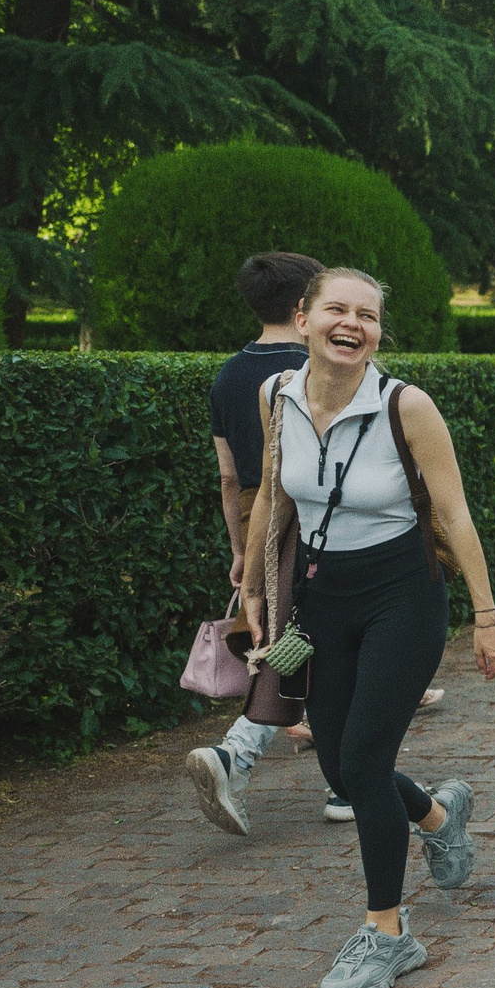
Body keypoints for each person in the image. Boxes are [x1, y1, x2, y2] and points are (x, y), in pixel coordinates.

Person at [237, 268, 495, 988]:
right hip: (320, 600)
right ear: (303, 319)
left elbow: (454, 513)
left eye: (367, 315)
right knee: (339, 764)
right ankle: (438, 816)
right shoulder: (275, 395)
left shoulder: (405, 405)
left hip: (402, 597)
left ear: (378, 331)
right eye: (337, 309)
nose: (351, 324)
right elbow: (271, 494)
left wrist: (486, 616)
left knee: (362, 758)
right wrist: (252, 588)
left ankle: (388, 933)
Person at [186, 252, 318, 835]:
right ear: (304, 306)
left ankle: (342, 780)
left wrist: (241, 550)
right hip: (307, 512)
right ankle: (236, 754)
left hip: (253, 511)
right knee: (316, 638)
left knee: (297, 639)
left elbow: (228, 477)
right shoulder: (320, 367)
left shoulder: (227, 375)